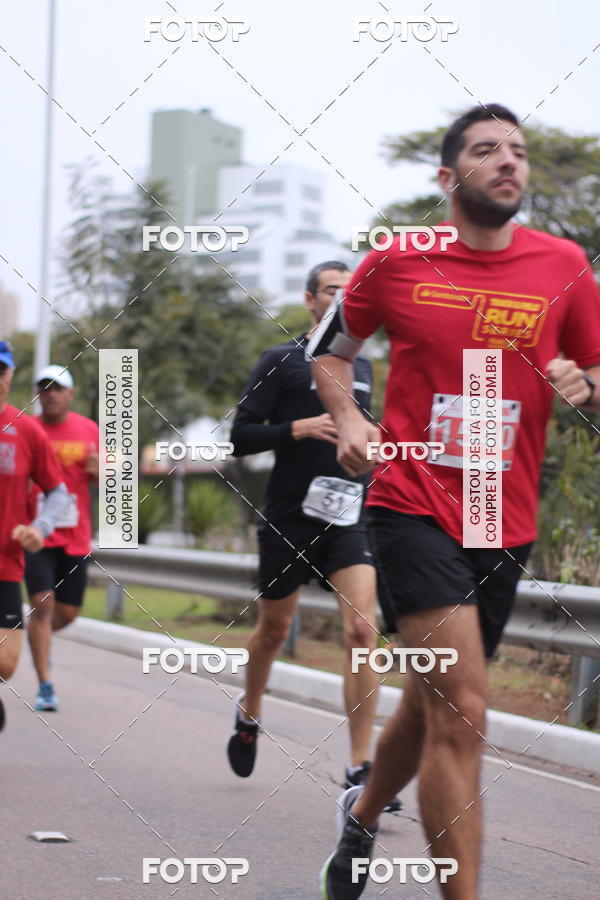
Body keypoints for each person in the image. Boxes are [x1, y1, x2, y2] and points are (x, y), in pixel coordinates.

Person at [314, 105, 600, 899]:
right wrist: (347, 418)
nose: (508, 161)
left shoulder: (565, 265)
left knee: (435, 702)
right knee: (465, 706)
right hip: (413, 502)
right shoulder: (395, 262)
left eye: (518, 150)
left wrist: (589, 383)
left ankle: (364, 813)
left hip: (501, 514)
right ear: (448, 177)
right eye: (485, 150)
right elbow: (331, 354)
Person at [227, 261, 400, 810]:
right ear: (309, 300)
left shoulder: (365, 367)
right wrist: (299, 427)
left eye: (350, 291)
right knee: (274, 630)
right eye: (332, 290)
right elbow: (240, 437)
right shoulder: (280, 361)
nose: (342, 298)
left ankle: (359, 768)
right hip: (289, 517)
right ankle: (249, 710)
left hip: (349, 515)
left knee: (361, 633)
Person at [0, 343, 69, 731]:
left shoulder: (25, 429)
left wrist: (39, 528)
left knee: (6, 663)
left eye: (0, 370)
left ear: (9, 376)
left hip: (5, 561)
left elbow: (57, 491)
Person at [24, 365, 99, 712]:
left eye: (58, 388)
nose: (51, 393)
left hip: (74, 536)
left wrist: (104, 472)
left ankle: (37, 640)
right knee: (43, 604)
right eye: (45, 388)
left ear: (70, 393)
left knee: (67, 612)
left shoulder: (88, 430)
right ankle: (45, 684)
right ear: (37, 394)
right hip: (34, 533)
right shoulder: (24, 428)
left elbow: (109, 481)